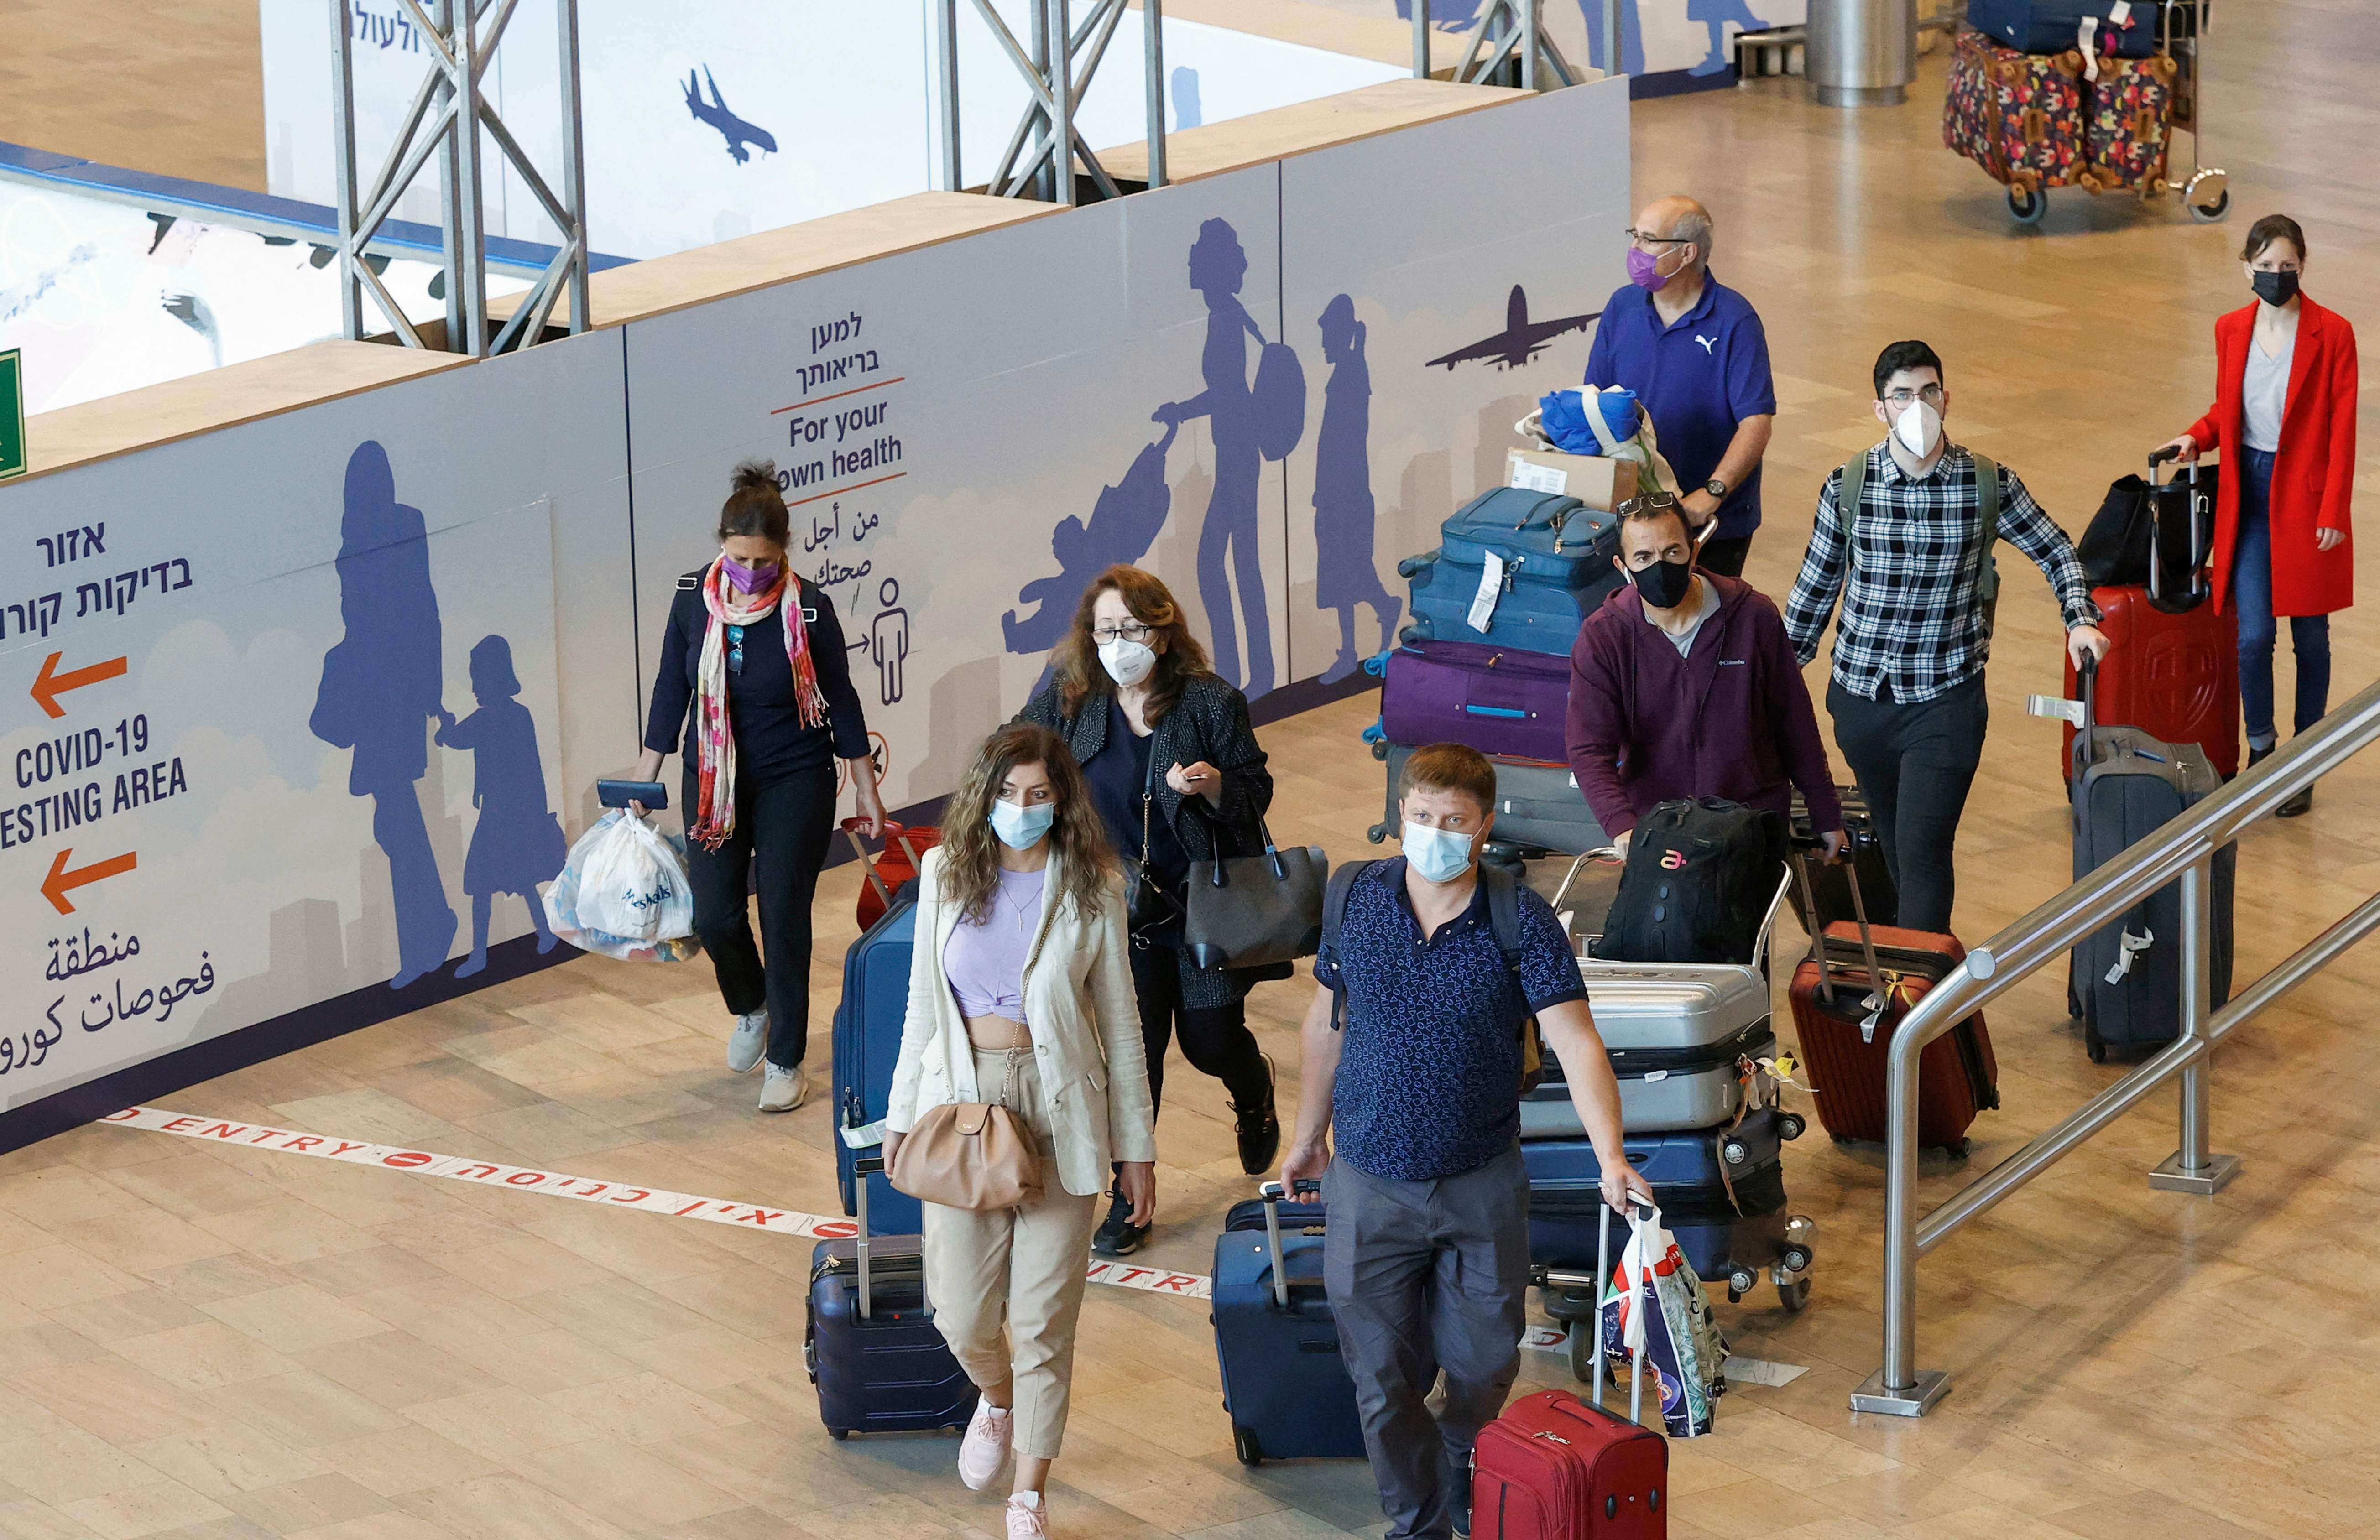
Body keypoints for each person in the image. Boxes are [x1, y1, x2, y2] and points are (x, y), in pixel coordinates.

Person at [1280, 744, 1651, 1540]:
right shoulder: (1355, 896)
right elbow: (1324, 1021)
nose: (1435, 834)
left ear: (1484, 826)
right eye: (1421, 817)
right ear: (1400, 814)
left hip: (1479, 1181)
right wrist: (1308, 1135)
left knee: (1485, 1365)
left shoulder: (1520, 919)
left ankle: (1453, 1447)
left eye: (1453, 821)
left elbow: (1577, 1041)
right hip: (1368, 1181)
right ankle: (1417, 1524)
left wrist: (1610, 1155)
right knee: (1380, 1379)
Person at [883, 723, 1156, 1540]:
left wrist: (1135, 1147)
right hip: (962, 1104)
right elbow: (922, 1009)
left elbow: (1122, 1021)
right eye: (1007, 793)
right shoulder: (943, 872)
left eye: (1039, 795)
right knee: (959, 1313)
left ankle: (1028, 1494)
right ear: (983, 795)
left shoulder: (1093, 884)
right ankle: (995, 1401)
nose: (1022, 809)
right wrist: (902, 1117)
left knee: (1043, 1321)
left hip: (1059, 1107)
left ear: (1062, 800)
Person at [1784, 341, 2110, 934]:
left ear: (1947, 398)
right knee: (1892, 840)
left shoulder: (1986, 484)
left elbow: (2058, 549)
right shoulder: (1848, 486)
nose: (1918, 405)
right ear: (1879, 409)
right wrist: (1765, 679)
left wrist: (2079, 617)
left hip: (1946, 701)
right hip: (1862, 699)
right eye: (1902, 395)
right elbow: (1813, 593)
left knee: (1924, 844)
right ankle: (1908, 974)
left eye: (1928, 391)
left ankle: (1919, 998)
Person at [1019, 565, 1282, 1257]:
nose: (1118, 642)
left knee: (1210, 1040)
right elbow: (1014, 751)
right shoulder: (1072, 699)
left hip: (1199, 906)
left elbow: (1255, 793)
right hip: (1115, 910)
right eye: (1106, 629)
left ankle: (1253, 1091)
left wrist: (1216, 784)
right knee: (1137, 1058)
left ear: (1163, 636)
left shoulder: (1210, 704)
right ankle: (1128, 1202)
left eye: (1133, 629)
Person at [633, 461, 885, 1113]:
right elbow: (671, 689)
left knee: (781, 912)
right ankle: (751, 1007)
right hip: (712, 778)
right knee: (714, 914)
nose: (751, 573)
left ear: (784, 552)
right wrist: (647, 773)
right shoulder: (693, 599)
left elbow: (843, 701)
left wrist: (865, 789)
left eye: (764, 561)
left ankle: (787, 1059)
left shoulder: (809, 610)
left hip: (792, 775)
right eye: (740, 557)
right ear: (722, 543)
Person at [2157, 213, 2359, 818]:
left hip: (2306, 497)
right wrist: (2198, 435)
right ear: (2246, 267)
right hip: (2250, 493)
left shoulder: (2333, 333)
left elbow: (2343, 430)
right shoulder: (2231, 329)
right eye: (2265, 266)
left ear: (2304, 264)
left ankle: (2307, 756)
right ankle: (2264, 750)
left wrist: (2333, 511)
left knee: (2312, 637)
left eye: (2286, 266)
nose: (2276, 275)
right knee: (2252, 635)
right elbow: (2229, 407)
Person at [1568, 490, 1848, 862]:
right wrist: (1622, 826)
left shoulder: (1754, 618)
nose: (1660, 567)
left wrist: (1825, 811)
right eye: (1643, 557)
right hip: (1658, 831)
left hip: (1749, 823)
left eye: (1672, 552)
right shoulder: (1604, 637)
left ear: (1694, 551)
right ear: (1623, 567)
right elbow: (1589, 747)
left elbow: (1794, 721)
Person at [1584, 196, 1776, 578]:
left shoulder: (1735, 322)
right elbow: (1595, 402)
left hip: (1708, 524)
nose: (1635, 249)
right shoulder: (1622, 307)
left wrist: (1712, 494)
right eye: (1634, 236)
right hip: (1635, 523)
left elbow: (1756, 422)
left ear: (1687, 253)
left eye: (1648, 239)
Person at [435, 634, 564, 977]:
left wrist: (444, 727)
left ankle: (480, 954)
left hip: (501, 815)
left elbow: (457, 738)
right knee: (518, 878)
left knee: (482, 883)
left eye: (478, 678)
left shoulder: (489, 717)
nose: (475, 687)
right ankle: (543, 934)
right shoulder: (517, 715)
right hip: (516, 813)